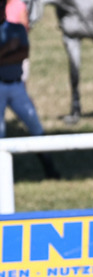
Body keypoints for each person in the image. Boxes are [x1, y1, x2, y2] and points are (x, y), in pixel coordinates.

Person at [0, 0, 59, 178]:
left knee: (35, 125)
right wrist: (9, 50)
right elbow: (14, 53)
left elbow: (23, 53)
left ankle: (49, 168)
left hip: (17, 85)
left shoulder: (16, 28)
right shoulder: (14, 33)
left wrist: (5, 53)